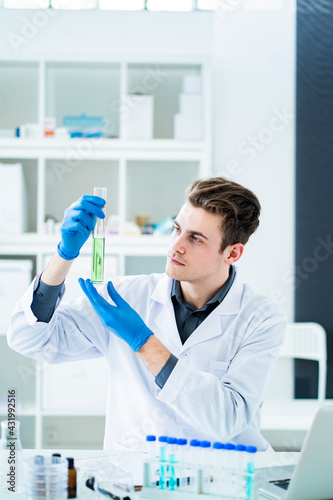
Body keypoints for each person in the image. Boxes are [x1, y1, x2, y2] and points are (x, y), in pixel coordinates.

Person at [8, 177, 286, 451]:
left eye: (196, 238)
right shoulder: (128, 296)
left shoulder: (260, 319)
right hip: (136, 478)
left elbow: (228, 419)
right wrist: (65, 255)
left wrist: (143, 342)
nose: (176, 245)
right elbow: (29, 339)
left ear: (232, 253)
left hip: (221, 479)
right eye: (177, 229)